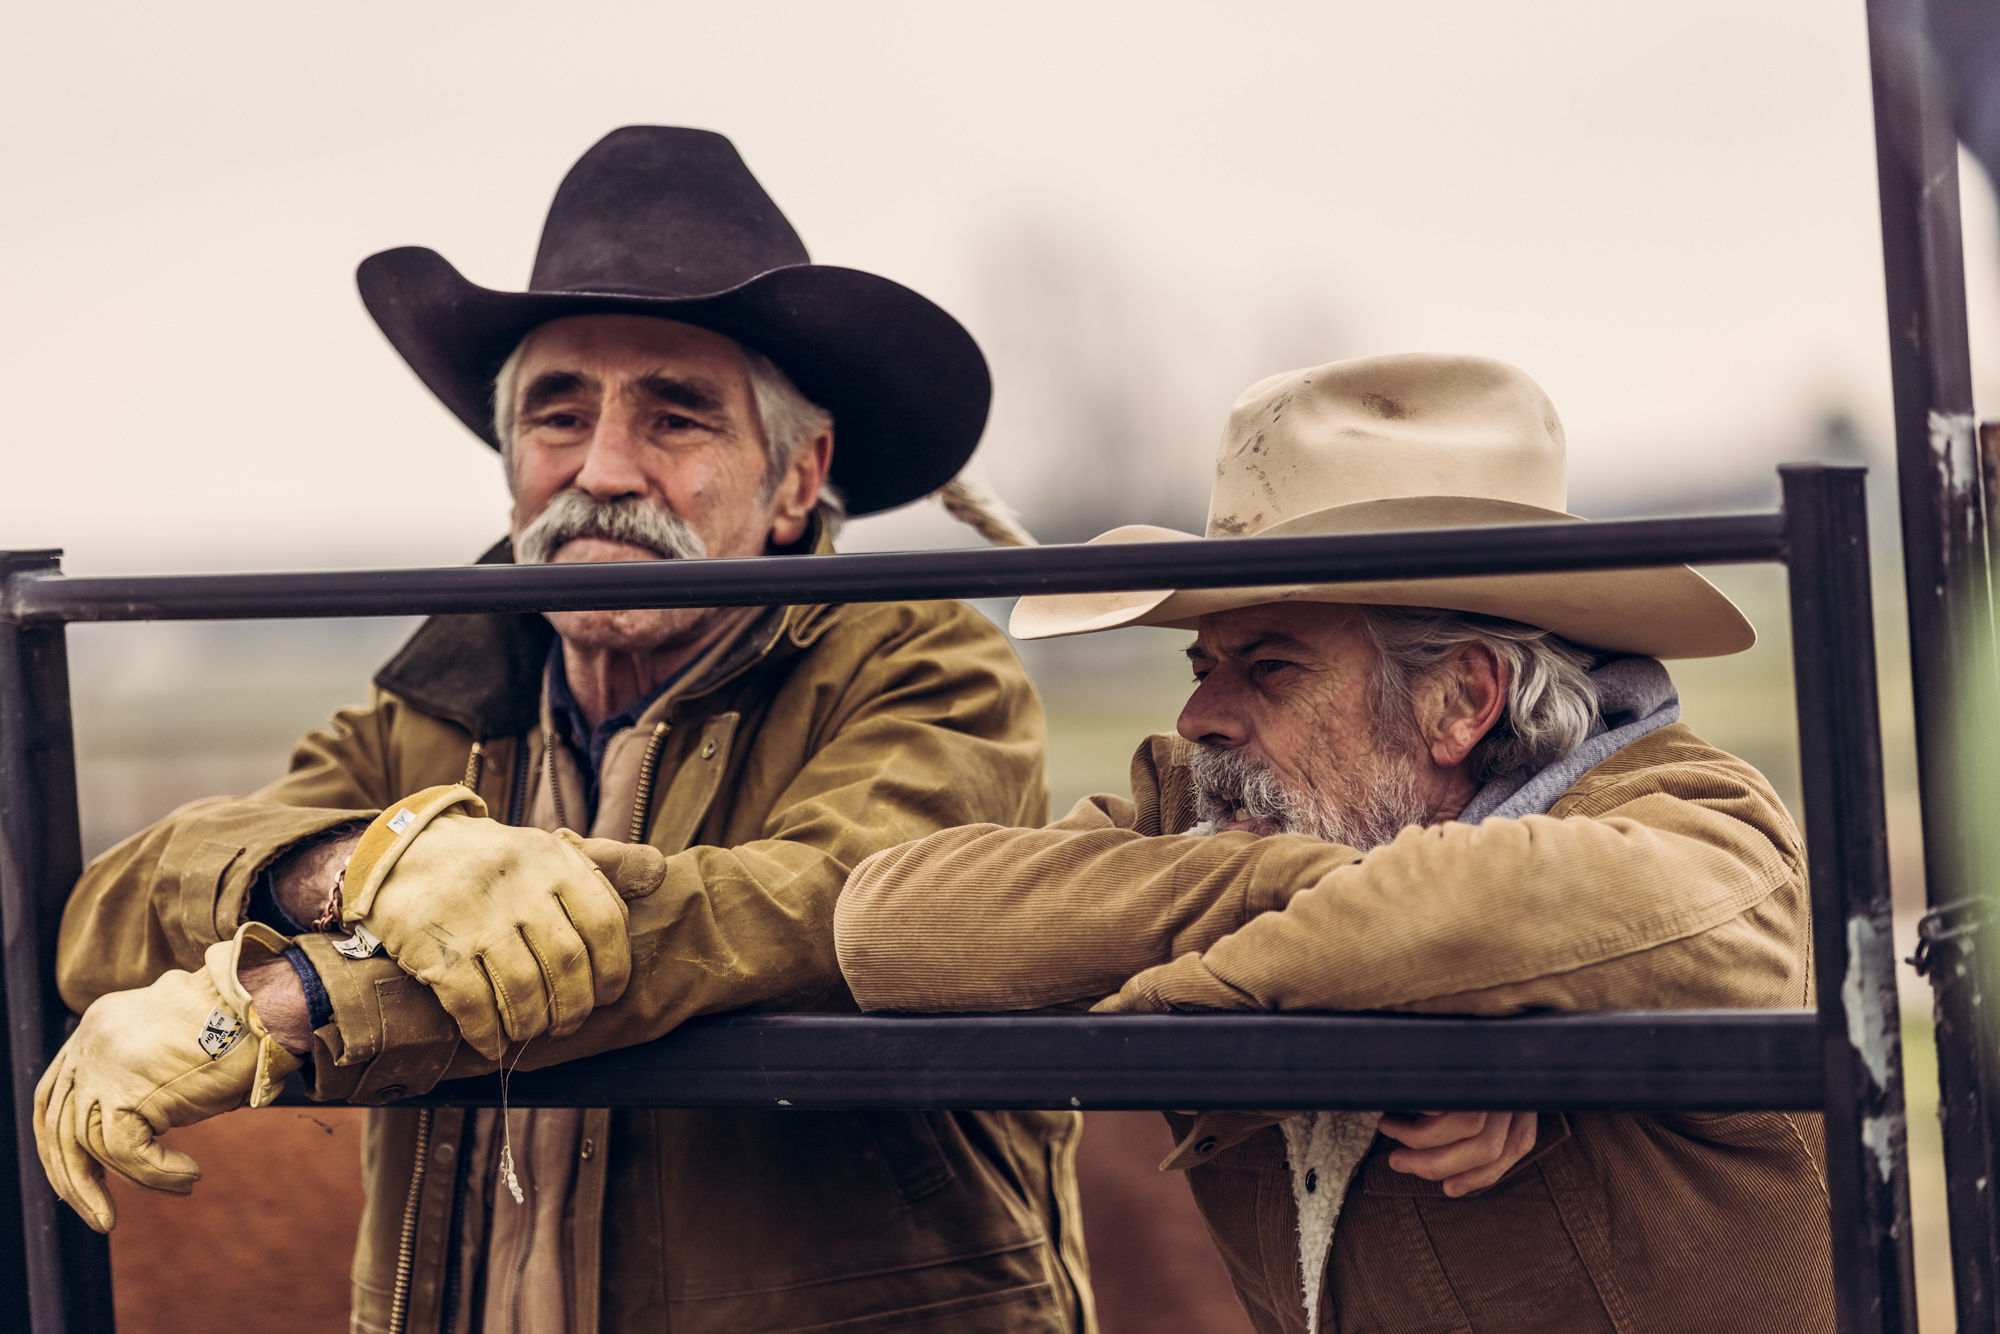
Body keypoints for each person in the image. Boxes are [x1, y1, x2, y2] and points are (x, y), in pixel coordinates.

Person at [36, 126, 1095, 1334]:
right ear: (510, 464)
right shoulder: (434, 700)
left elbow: (810, 908)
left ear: (798, 478)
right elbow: (110, 906)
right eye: (556, 414)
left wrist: (288, 1003)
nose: (602, 468)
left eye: (675, 417)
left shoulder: (919, 659)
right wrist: (355, 865)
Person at [834, 352, 1834, 1334]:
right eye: (1202, 662)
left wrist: (1453, 1008)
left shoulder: (1698, 813)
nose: (1196, 717)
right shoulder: (1213, 812)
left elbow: (1533, 903)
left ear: (1461, 698)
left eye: (1266, 664)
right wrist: (1342, 942)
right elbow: (889, 922)